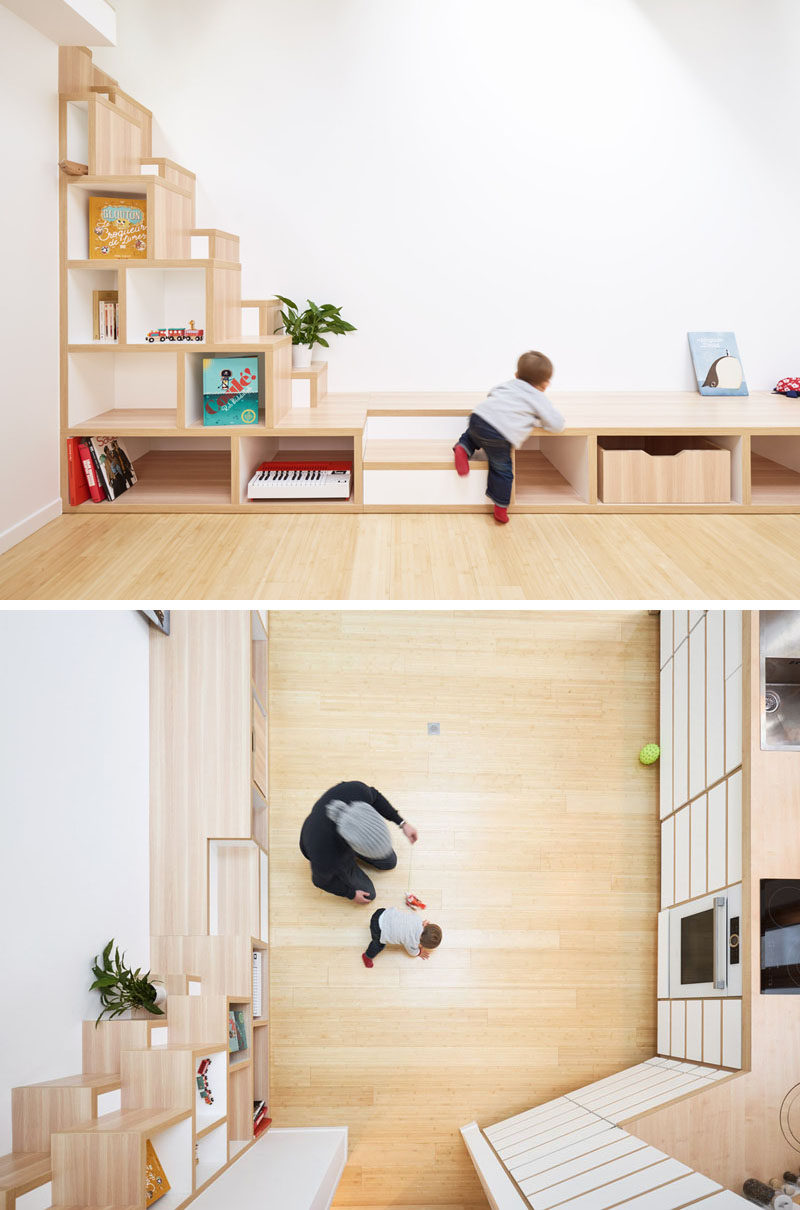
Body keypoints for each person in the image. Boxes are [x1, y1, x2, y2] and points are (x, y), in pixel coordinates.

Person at [453, 350, 565, 525]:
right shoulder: (538, 397)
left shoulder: (507, 385)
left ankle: (463, 448)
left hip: (478, 417)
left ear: (516, 374)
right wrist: (536, 418)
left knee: (472, 435)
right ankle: (500, 507)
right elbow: (556, 424)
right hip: (499, 435)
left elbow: (491, 394)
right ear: (545, 385)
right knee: (502, 469)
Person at [299, 781, 418, 903]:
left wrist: (402, 823)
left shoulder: (357, 791)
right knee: (369, 895)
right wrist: (351, 894)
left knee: (390, 862)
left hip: (343, 837)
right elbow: (319, 881)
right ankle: (347, 866)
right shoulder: (327, 856)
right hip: (330, 850)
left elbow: (376, 798)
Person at [361, 907, 442, 968]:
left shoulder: (417, 919)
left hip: (382, 913)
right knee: (379, 945)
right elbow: (412, 952)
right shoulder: (413, 942)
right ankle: (367, 956)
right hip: (378, 929)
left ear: (426, 924)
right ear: (421, 943)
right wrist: (419, 952)